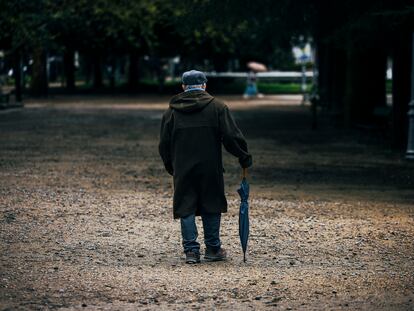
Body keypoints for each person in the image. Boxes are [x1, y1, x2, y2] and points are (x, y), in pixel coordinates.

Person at [159, 70, 253, 264]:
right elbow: (232, 137)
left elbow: (164, 144)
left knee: (185, 205)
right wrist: (243, 156)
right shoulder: (218, 107)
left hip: (183, 167)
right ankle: (212, 248)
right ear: (204, 86)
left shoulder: (172, 112)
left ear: (183, 87)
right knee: (211, 203)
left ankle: (191, 251)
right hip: (211, 167)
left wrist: (171, 166)